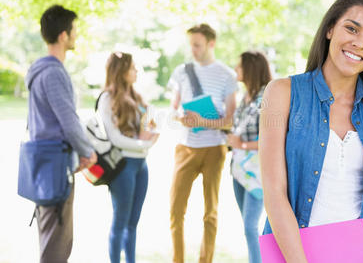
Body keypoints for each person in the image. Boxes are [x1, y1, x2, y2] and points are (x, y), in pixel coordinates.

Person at [259, 0, 363, 262]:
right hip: (296, 253)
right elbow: (274, 191)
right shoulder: (282, 93)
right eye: (352, 29)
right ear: (330, 29)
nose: (360, 43)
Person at [25, 5, 97, 263]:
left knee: (51, 237)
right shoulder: (54, 72)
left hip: (44, 164)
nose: (76, 35)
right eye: (74, 30)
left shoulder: (39, 71)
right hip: (54, 167)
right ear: (64, 35)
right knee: (57, 243)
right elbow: (69, 121)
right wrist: (88, 152)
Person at [168, 23, 237, 263]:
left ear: (211, 43)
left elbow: (230, 121)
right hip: (185, 148)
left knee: (211, 212)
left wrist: (204, 122)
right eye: (191, 45)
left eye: (197, 45)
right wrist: (182, 118)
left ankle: (205, 260)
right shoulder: (181, 71)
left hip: (214, 150)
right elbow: (173, 109)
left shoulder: (227, 75)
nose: (193, 50)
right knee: (176, 211)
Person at [97, 52, 159, 263]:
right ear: (121, 70)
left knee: (133, 224)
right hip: (123, 167)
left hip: (141, 165)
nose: (136, 71)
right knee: (120, 222)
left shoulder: (137, 97)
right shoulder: (107, 98)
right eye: (132, 67)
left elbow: (149, 124)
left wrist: (152, 128)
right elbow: (115, 138)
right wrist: (145, 144)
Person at [227, 51, 272, 263]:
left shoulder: (267, 97)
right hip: (239, 168)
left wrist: (242, 144)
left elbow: (273, 138)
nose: (236, 69)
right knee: (248, 226)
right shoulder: (245, 97)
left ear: (251, 69)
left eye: (240, 66)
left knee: (250, 225)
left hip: (257, 170)